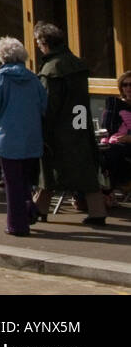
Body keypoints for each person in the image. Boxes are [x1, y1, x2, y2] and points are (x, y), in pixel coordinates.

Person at [32, 22, 108, 226]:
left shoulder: (51, 68)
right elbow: (81, 100)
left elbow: (49, 105)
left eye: (38, 42)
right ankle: (97, 211)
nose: (38, 46)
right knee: (85, 168)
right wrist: (81, 125)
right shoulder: (77, 64)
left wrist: (43, 128)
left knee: (48, 170)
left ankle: (38, 210)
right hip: (80, 121)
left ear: (45, 42)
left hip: (60, 127)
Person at [0, 37, 46, 236]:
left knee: (13, 184)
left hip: (8, 137)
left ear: (2, 56)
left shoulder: (1, 78)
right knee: (26, 181)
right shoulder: (33, 78)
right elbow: (43, 106)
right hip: (32, 137)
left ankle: (17, 224)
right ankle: (28, 210)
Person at [99, 75, 131, 187]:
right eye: (125, 85)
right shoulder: (115, 105)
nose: (128, 88)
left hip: (127, 144)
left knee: (111, 153)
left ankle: (108, 190)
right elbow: (106, 128)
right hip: (115, 142)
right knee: (99, 153)